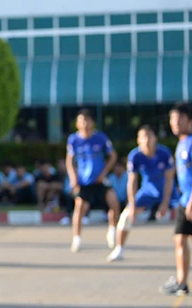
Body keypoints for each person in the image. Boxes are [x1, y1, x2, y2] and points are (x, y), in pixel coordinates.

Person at [108, 126, 176, 262]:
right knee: (125, 216)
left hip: (167, 191)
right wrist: (132, 205)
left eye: (149, 136)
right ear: (138, 140)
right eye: (143, 137)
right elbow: (132, 182)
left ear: (155, 138)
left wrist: (165, 203)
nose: (147, 140)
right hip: (148, 191)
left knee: (186, 215)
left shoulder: (164, 153)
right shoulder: (135, 156)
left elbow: (169, 179)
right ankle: (119, 249)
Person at [65, 109, 119, 253]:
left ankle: (112, 230)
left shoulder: (100, 138)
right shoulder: (74, 140)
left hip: (100, 179)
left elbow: (112, 156)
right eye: (82, 120)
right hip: (84, 181)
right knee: (80, 207)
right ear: (77, 124)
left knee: (114, 202)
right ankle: (77, 238)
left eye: (88, 120)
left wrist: (104, 172)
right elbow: (70, 160)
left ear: (93, 122)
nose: (85, 123)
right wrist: (73, 177)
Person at [160, 103, 192, 295]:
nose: (175, 123)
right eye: (172, 119)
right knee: (179, 239)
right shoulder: (182, 142)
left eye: (179, 119)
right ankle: (181, 282)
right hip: (184, 200)